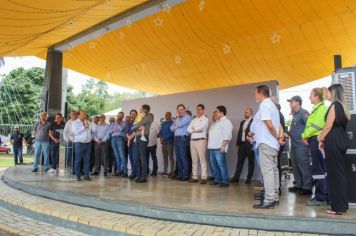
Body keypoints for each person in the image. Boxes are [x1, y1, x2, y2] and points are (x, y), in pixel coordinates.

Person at [318, 84, 350, 215]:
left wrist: (320, 138)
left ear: (334, 92)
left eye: (329, 92)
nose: (328, 94)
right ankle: (342, 205)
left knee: (334, 175)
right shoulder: (343, 107)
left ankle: (337, 207)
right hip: (341, 140)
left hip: (333, 141)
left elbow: (328, 125)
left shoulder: (335, 105)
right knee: (339, 174)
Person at [252, 85, 281, 209]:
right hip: (272, 144)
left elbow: (269, 124)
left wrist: (276, 136)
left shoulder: (264, 104)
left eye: (256, 93)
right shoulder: (272, 105)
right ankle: (274, 197)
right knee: (274, 170)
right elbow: (277, 124)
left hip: (267, 142)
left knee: (267, 171)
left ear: (260, 93)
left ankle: (269, 199)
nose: (255, 95)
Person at [301, 87, 329, 206]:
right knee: (320, 169)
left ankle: (320, 198)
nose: (309, 97)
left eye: (311, 95)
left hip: (316, 140)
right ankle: (324, 196)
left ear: (317, 96)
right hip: (314, 140)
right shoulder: (318, 109)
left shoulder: (321, 109)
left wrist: (304, 135)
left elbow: (316, 127)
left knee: (318, 170)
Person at [286, 96, 313, 195]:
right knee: (295, 165)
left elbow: (309, 126)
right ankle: (298, 184)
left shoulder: (303, 113)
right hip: (293, 144)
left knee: (304, 165)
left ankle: (307, 187)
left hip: (301, 145)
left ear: (297, 102)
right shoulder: (294, 115)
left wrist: (307, 138)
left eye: (291, 101)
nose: (290, 104)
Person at [208, 106, 233, 187]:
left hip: (219, 147)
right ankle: (217, 179)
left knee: (221, 165)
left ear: (222, 113)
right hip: (212, 147)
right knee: (214, 165)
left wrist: (223, 146)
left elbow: (227, 135)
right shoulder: (217, 122)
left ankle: (225, 181)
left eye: (217, 112)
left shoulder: (227, 122)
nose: (216, 113)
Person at [230, 108, 255, 184]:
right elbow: (239, 133)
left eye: (246, 112)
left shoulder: (254, 121)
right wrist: (237, 144)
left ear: (250, 113)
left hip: (250, 145)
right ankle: (236, 177)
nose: (245, 113)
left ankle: (249, 179)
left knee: (251, 163)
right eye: (244, 112)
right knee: (239, 162)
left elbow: (255, 132)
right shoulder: (242, 122)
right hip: (242, 145)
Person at [187, 104, 209, 184]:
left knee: (202, 160)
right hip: (192, 140)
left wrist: (193, 129)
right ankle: (195, 177)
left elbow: (201, 128)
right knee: (194, 160)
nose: (198, 111)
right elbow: (188, 129)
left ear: (203, 110)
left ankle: (204, 177)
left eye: (199, 109)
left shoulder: (206, 119)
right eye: (197, 109)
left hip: (201, 140)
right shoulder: (193, 120)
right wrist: (194, 129)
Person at [132, 104, 153, 183]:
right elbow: (133, 126)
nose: (140, 110)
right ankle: (138, 175)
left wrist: (136, 127)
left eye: (141, 109)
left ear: (145, 110)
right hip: (137, 138)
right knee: (137, 157)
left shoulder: (149, 117)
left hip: (143, 138)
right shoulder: (140, 117)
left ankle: (143, 176)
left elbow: (136, 125)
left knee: (142, 157)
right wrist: (137, 127)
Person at [171, 104, 192, 181]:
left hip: (183, 138)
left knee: (183, 157)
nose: (180, 111)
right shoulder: (178, 118)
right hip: (176, 138)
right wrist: (176, 126)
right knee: (178, 157)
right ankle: (180, 174)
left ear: (184, 109)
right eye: (178, 110)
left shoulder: (188, 117)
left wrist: (177, 124)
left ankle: (186, 175)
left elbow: (179, 124)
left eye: (181, 109)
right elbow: (171, 128)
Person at [72, 110, 94, 181]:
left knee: (87, 161)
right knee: (78, 160)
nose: (85, 115)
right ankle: (78, 175)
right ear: (78, 115)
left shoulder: (88, 122)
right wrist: (84, 127)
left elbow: (94, 130)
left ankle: (86, 175)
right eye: (83, 114)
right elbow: (75, 132)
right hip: (79, 144)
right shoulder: (74, 123)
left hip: (88, 144)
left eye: (85, 114)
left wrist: (92, 124)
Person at [109, 112, 128, 177]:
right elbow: (109, 131)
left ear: (123, 117)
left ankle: (125, 171)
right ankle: (118, 171)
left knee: (122, 155)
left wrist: (116, 125)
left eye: (121, 115)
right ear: (117, 116)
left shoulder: (124, 123)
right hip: (113, 139)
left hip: (120, 139)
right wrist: (115, 130)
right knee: (117, 156)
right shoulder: (113, 123)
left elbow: (122, 129)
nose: (119, 116)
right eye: (119, 115)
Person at [160, 112, 174, 176]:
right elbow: (161, 132)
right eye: (165, 115)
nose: (166, 116)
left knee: (170, 157)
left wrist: (164, 138)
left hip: (170, 142)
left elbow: (172, 133)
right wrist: (161, 138)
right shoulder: (163, 123)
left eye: (168, 115)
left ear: (171, 116)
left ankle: (171, 171)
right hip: (163, 143)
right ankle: (165, 171)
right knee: (164, 157)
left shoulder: (173, 123)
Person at [127, 109, 138, 179]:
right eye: (132, 113)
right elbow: (126, 132)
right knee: (131, 158)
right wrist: (128, 140)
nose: (133, 114)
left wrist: (129, 139)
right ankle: (133, 172)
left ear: (136, 114)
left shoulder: (137, 122)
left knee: (135, 158)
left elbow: (136, 131)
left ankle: (136, 173)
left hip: (135, 142)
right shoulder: (129, 123)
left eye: (134, 113)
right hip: (130, 142)